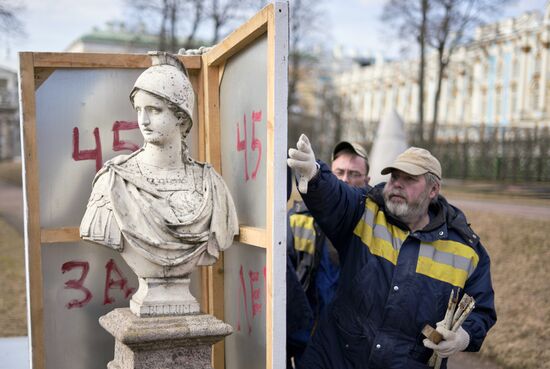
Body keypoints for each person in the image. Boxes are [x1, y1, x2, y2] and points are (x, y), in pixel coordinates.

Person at [287, 134, 496, 369]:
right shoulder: (364, 211)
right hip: (335, 359)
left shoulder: (466, 251)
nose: (397, 183)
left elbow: (482, 310)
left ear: (433, 189)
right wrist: (314, 175)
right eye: (394, 176)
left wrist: (463, 337)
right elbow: (336, 197)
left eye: (409, 179)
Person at [80, 52, 238, 315]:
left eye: (154, 110)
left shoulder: (212, 185)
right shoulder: (113, 180)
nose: (143, 120)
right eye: (139, 110)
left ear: (181, 117)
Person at [286, 141, 370, 368]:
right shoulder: (297, 220)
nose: (344, 180)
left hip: (355, 349)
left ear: (367, 182)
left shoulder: (377, 229)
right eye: (339, 172)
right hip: (308, 342)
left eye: (354, 174)